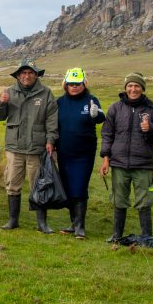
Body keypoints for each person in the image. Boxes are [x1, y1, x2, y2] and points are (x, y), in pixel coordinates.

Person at [100, 72, 153, 242]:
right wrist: (106, 158)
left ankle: (147, 237)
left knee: (144, 202)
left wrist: (150, 128)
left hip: (143, 164)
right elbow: (107, 134)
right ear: (125, 88)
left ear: (142, 89)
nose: (133, 89)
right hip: (119, 163)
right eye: (130, 86)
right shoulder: (115, 108)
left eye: (137, 86)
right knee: (119, 200)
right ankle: (116, 236)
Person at [0, 58, 58, 233]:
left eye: (30, 73)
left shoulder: (46, 93)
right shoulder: (9, 92)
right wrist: (1, 102)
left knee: (39, 185)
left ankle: (42, 223)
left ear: (36, 75)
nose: (26, 76)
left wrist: (51, 140)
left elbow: (52, 120)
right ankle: (13, 220)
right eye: (23, 73)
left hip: (37, 148)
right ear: (18, 76)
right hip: (14, 148)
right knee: (12, 184)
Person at [55, 68, 105, 239]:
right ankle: (73, 224)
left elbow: (101, 117)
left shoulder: (91, 100)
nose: (75, 87)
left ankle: (81, 227)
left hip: (84, 153)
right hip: (64, 152)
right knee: (68, 188)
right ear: (66, 85)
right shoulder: (59, 102)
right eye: (71, 84)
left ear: (84, 84)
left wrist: (96, 114)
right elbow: (53, 126)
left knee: (79, 187)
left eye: (78, 84)